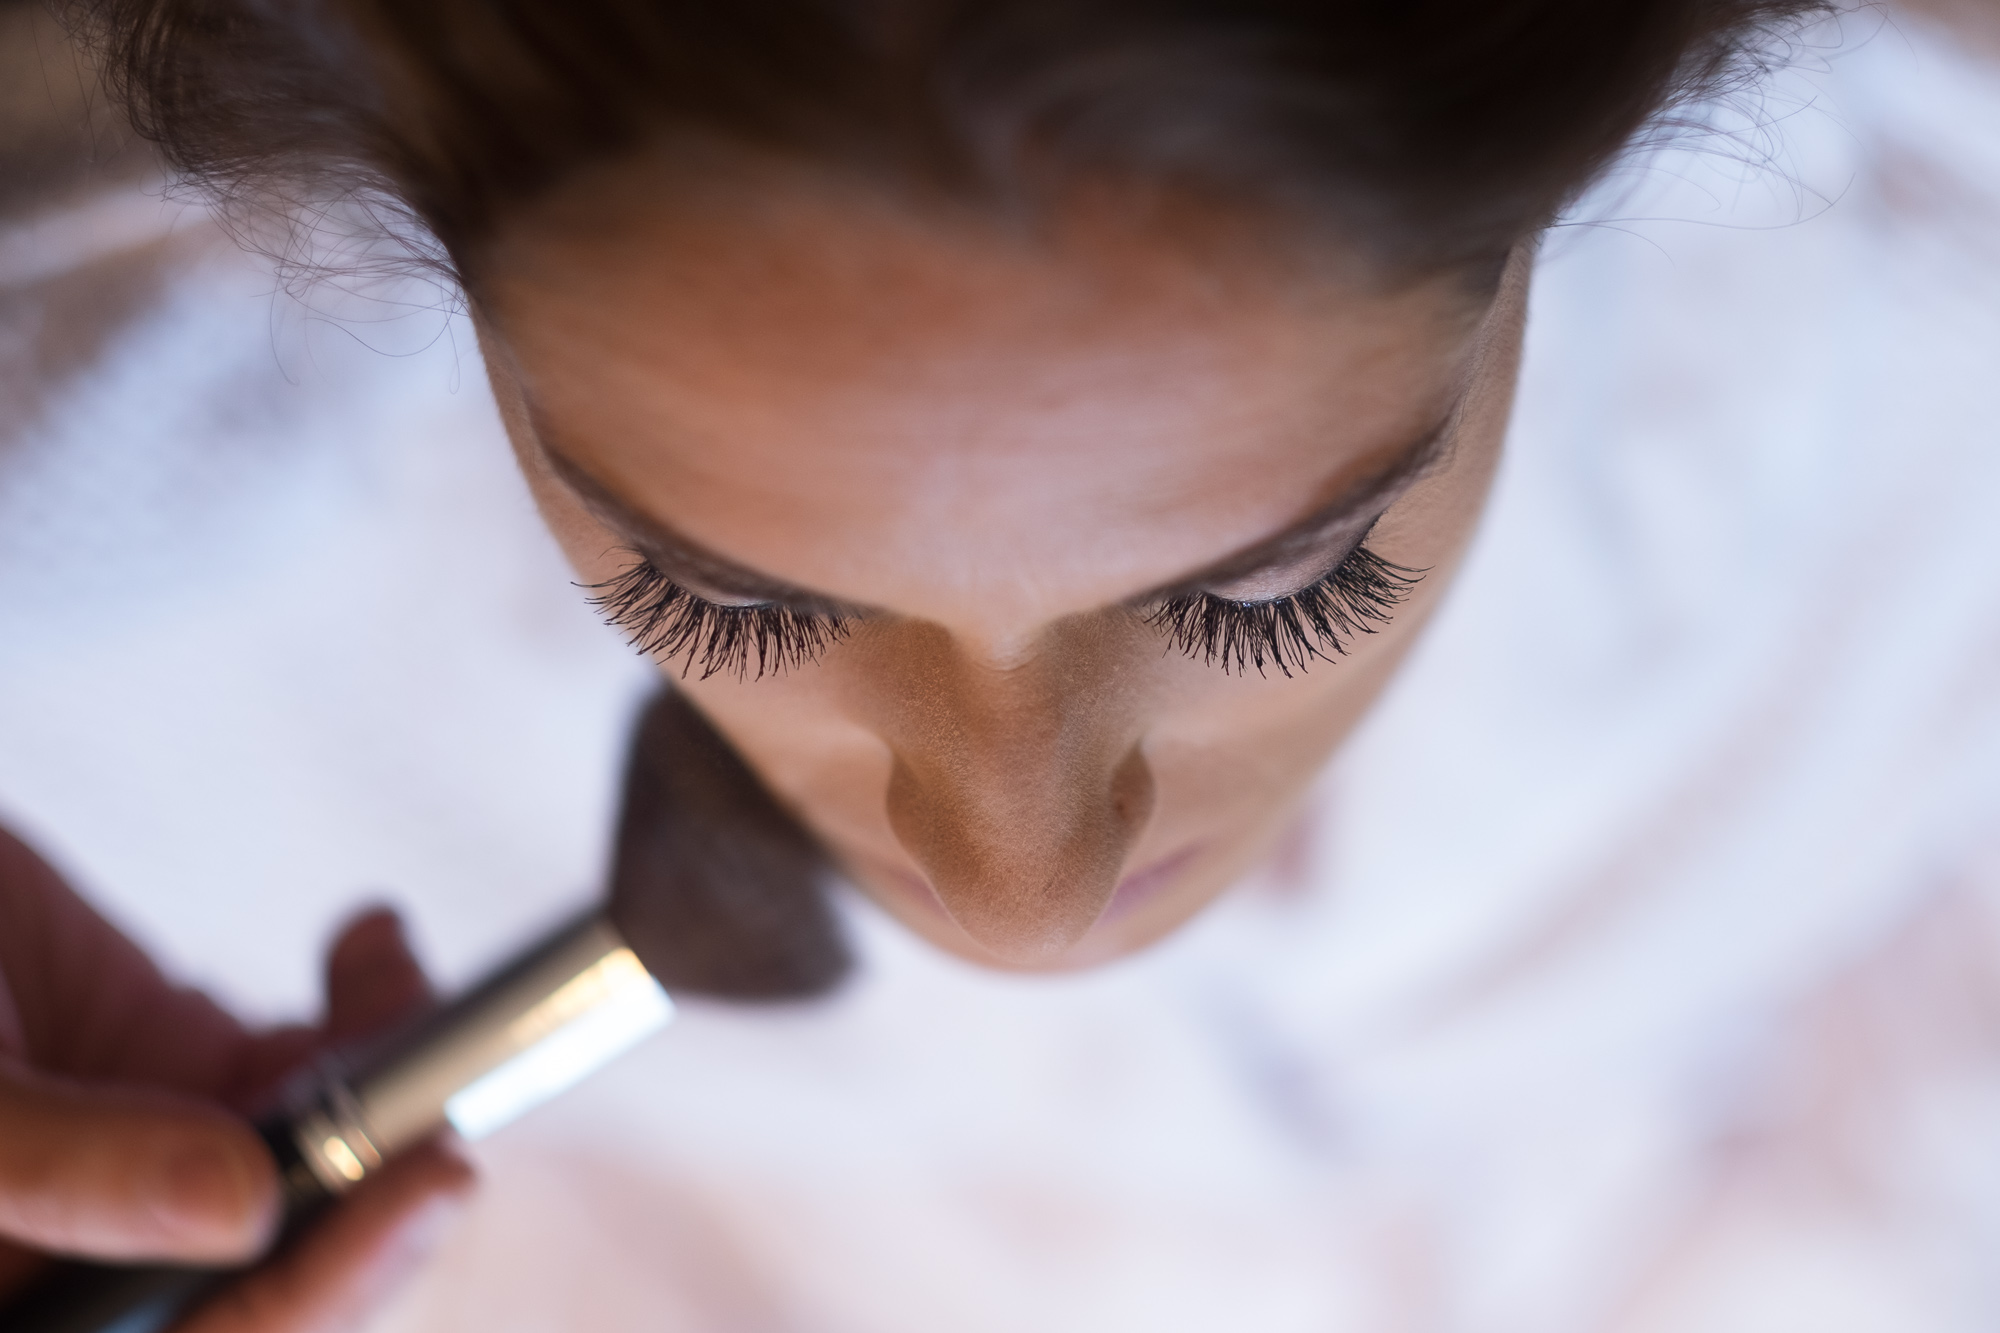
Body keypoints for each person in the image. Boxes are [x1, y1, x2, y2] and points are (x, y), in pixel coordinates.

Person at [21, 0, 1972, 1327]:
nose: (1017, 896)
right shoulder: (143, 637)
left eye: (1270, 592)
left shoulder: (1926, 425)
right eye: (739, 604)